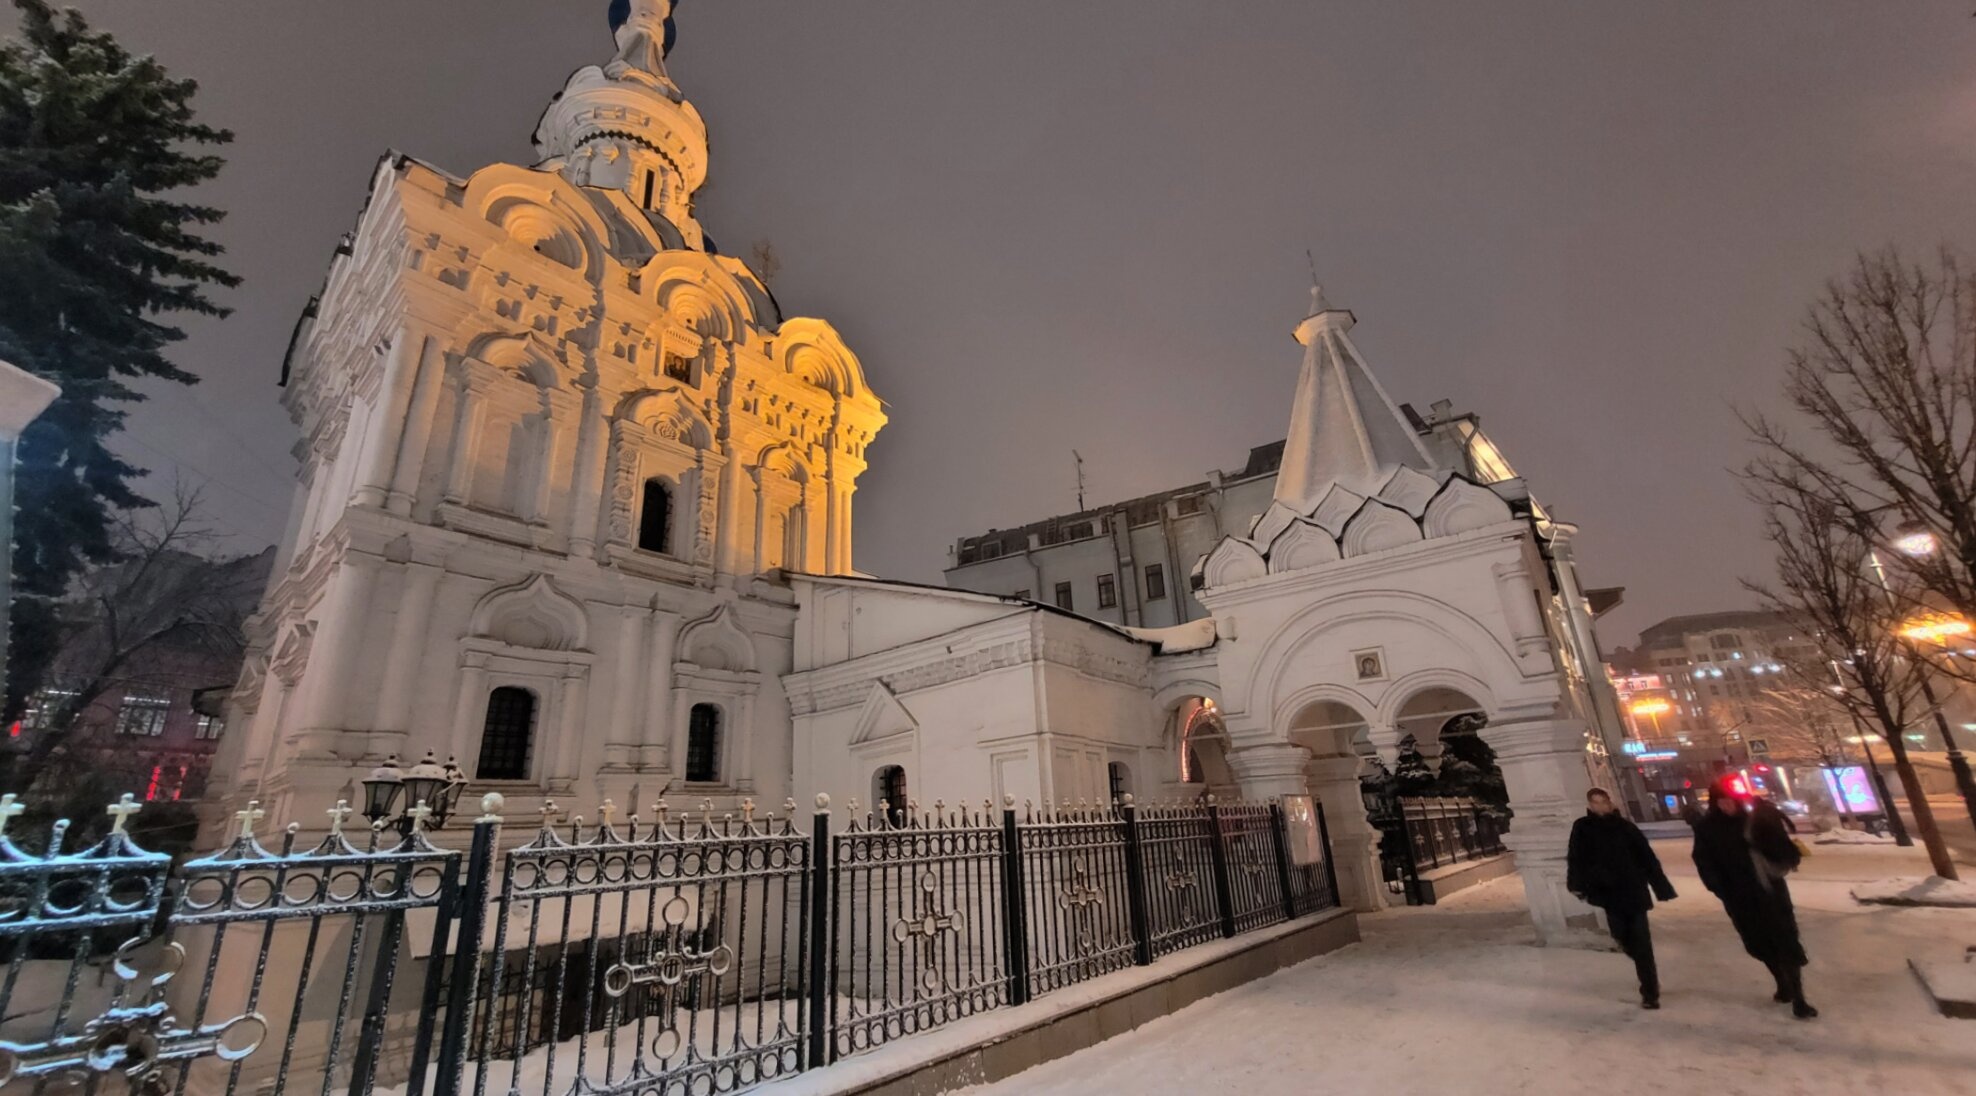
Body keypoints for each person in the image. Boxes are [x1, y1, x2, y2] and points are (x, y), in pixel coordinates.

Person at [1691, 780, 1817, 1019]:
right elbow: (1703, 860)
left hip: (1770, 891)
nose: (1727, 806)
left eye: (1731, 801)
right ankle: (1781, 980)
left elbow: (1779, 846)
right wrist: (1719, 888)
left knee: (1787, 940)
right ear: (1715, 804)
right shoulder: (1707, 828)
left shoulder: (1755, 820)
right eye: (1722, 802)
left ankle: (1799, 998)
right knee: (1758, 943)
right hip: (1739, 897)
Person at [1568, 788, 1676, 1008]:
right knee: (1622, 937)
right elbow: (1575, 857)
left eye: (1603, 802)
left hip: (1634, 891)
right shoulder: (1583, 828)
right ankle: (1643, 965)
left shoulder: (1626, 828)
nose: (1600, 807)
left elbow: (1647, 858)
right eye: (1595, 803)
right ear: (1590, 805)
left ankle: (1650, 992)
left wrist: (1661, 887)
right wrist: (1577, 884)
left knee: (1642, 943)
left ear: (1610, 803)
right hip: (1608, 894)